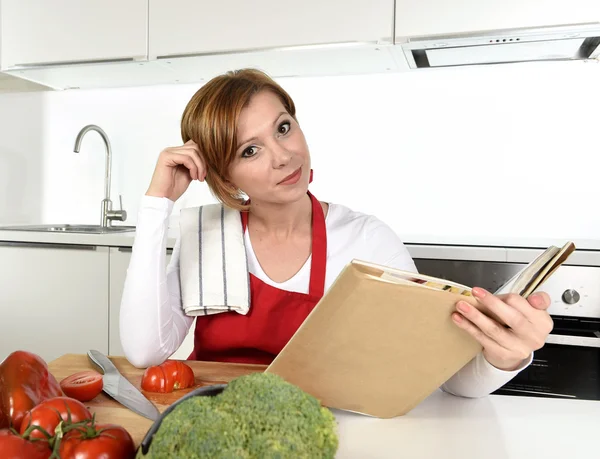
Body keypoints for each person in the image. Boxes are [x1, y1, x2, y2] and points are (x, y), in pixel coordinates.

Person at [120, 68, 553, 398]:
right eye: (250, 150)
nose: (284, 156)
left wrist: (505, 356)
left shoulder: (367, 241)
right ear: (225, 177)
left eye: (283, 128)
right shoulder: (206, 237)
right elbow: (145, 352)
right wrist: (157, 204)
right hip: (217, 426)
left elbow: (436, 378)